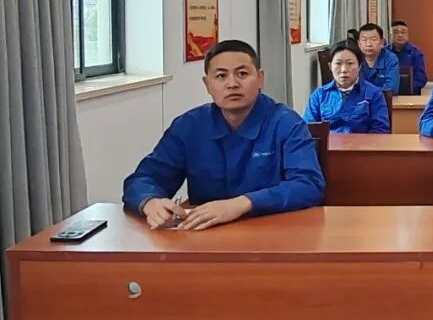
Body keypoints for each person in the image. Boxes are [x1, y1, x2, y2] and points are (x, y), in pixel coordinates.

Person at [122, 40, 325, 230]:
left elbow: (308, 184)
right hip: (205, 234)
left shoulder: (286, 123)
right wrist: (150, 202)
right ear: (207, 84)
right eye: (221, 76)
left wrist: (242, 204)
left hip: (272, 231)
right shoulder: (189, 126)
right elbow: (144, 178)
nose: (232, 84)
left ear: (260, 78)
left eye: (242, 74)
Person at [304, 40, 390, 134]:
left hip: (362, 143)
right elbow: (308, 130)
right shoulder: (319, 95)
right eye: (338, 63)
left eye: (350, 63)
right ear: (330, 66)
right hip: (328, 143)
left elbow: (380, 129)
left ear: (359, 66)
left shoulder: (374, 93)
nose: (344, 70)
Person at [355, 23, 400, 94]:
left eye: (373, 39)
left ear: (382, 42)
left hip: (383, 100)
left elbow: (391, 88)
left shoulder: (390, 58)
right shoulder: (354, 58)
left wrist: (364, 91)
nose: (368, 44)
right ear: (358, 43)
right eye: (364, 40)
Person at [389, 19, 427, 94]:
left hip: (410, 94)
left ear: (407, 35)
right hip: (388, 93)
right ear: (390, 35)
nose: (400, 35)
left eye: (403, 32)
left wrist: (406, 90)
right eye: (396, 32)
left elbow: (421, 78)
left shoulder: (416, 53)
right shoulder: (384, 52)